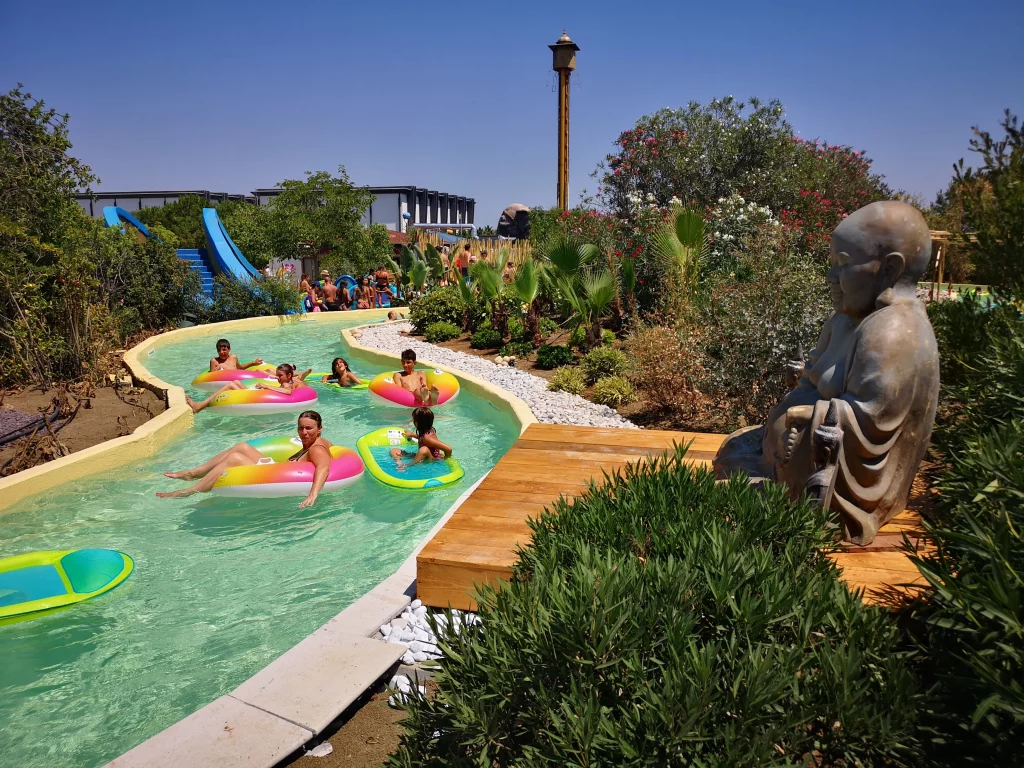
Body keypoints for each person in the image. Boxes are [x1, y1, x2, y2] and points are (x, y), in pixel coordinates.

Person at [158, 410, 333, 508]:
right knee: (241, 447)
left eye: (309, 428)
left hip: (273, 475)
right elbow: (332, 448)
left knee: (235, 458)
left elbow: (323, 467)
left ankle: (192, 490)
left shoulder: (317, 448)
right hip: (274, 468)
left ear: (319, 429)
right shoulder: (320, 440)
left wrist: (313, 494)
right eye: (300, 428)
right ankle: (194, 473)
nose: (304, 432)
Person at [186, 363, 306, 414]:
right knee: (235, 382)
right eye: (278, 375)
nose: (278, 378)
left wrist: (266, 385)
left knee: (231, 385)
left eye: (280, 376)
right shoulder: (288, 381)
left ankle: (200, 406)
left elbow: (288, 391)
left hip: (256, 397)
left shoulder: (286, 385)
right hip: (256, 394)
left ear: (289, 376)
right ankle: (201, 405)